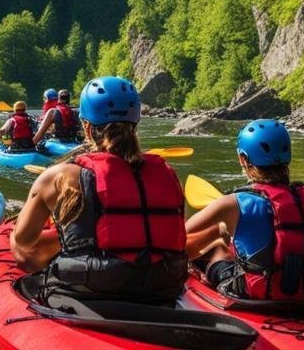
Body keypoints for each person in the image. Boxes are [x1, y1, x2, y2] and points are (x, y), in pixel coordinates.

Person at [10, 76, 187, 305]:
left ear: (86, 126)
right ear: (136, 123)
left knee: (18, 247)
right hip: (162, 287)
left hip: (91, 290)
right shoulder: (167, 173)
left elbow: (24, 241)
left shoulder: (60, 176)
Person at [184, 119, 304, 302]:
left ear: (243, 159)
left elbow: (176, 236)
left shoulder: (233, 202)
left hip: (256, 294)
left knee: (217, 252)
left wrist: (219, 232)